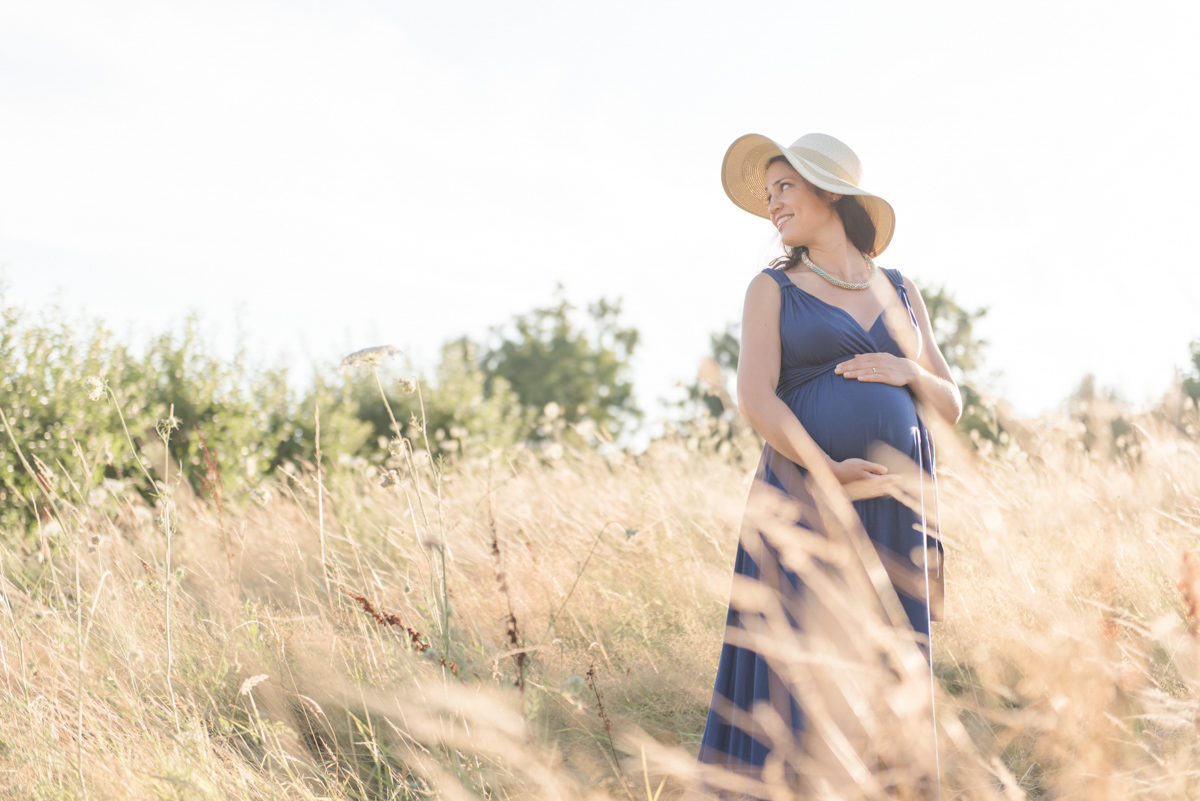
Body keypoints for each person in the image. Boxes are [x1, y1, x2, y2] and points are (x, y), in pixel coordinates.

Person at [694, 132, 961, 796]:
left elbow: (951, 403)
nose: (773, 203)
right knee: (801, 664)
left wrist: (907, 371)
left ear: (830, 191)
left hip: (897, 507)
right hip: (805, 494)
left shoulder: (901, 290)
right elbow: (755, 396)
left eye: (785, 186)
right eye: (769, 193)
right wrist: (825, 467)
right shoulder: (772, 288)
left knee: (889, 657)